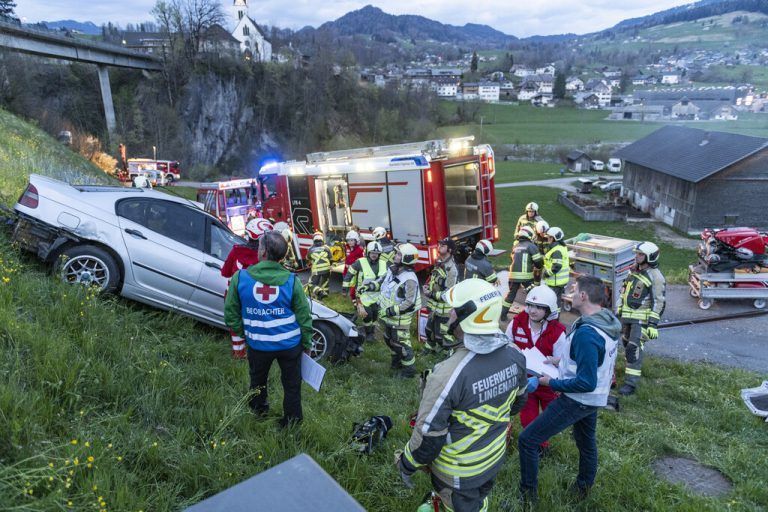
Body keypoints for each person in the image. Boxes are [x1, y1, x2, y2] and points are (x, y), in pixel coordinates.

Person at [397, 279, 528, 512]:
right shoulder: (515, 355)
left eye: (454, 310)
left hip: (458, 472)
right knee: (479, 499)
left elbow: (429, 436)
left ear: (468, 316)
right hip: (493, 457)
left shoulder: (448, 374)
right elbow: (519, 401)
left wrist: (406, 464)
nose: (449, 315)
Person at [518, 275, 620, 504]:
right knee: (586, 443)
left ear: (583, 296)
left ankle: (527, 500)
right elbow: (594, 360)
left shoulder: (587, 333)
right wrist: (560, 361)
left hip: (578, 398)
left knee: (527, 440)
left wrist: (550, 383)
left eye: (574, 291)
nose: (570, 295)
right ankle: (582, 489)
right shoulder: (605, 321)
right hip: (593, 398)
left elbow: (585, 381)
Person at [224, 231, 313, 428]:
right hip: (290, 345)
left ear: (262, 252)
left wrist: (245, 333)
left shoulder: (241, 277)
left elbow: (230, 313)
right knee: (291, 386)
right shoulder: (292, 280)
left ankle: (258, 414)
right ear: (282, 256)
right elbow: (304, 316)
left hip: (258, 345)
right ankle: (292, 422)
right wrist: (306, 343)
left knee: (257, 382)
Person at [506, 285, 566, 455]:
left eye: (539, 307)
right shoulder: (517, 322)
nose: (532, 310)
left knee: (550, 419)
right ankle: (539, 448)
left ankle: (542, 441)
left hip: (548, 383)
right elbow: (506, 344)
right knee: (528, 418)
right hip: (525, 382)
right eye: (530, 305)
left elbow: (563, 363)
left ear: (548, 310)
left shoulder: (557, 332)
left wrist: (557, 382)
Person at [616, 241, 666, 396]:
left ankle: (630, 384)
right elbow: (624, 292)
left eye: (640, 254)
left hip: (641, 321)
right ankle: (630, 371)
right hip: (626, 318)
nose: (636, 256)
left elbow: (659, 301)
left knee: (634, 348)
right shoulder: (633, 271)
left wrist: (652, 324)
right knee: (627, 347)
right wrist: (619, 309)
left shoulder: (656, 276)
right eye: (636, 254)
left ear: (649, 257)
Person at [221, 218, 274, 358]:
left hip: (236, 296)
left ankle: (238, 353)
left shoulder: (236, 251)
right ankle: (259, 353)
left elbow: (225, 272)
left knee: (235, 324)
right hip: (257, 299)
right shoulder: (268, 257)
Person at [378, 243, 422, 378]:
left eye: (398, 254)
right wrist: (370, 285)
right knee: (389, 339)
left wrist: (390, 311)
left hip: (399, 319)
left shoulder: (410, 280)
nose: (395, 256)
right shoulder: (393, 270)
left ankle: (409, 372)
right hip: (389, 316)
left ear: (406, 259)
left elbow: (409, 303)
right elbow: (383, 284)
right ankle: (396, 363)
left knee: (402, 345)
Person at [343, 241, 388, 342]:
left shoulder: (383, 264)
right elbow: (349, 274)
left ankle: (372, 330)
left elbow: (386, 279)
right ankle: (369, 334)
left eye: (376, 253)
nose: (374, 255)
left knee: (375, 315)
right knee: (367, 315)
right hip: (362, 295)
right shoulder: (360, 262)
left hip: (377, 296)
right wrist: (344, 289)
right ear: (367, 252)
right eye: (372, 253)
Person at [423, 238, 460, 355]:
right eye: (439, 245)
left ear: (449, 249)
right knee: (429, 330)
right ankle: (429, 350)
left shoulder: (451, 269)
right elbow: (434, 278)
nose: (439, 247)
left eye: (442, 246)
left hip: (444, 310)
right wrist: (427, 286)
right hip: (434, 306)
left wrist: (431, 294)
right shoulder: (440, 262)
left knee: (441, 335)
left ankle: (451, 354)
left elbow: (448, 293)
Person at [501, 226, 542, 319]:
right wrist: (538, 267)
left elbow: (512, 258)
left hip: (513, 275)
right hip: (526, 277)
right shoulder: (531, 246)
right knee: (532, 294)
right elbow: (538, 262)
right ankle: (534, 315)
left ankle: (503, 315)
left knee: (510, 296)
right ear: (529, 235)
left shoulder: (515, 246)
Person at [542, 226, 570, 307]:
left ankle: (553, 318)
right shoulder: (560, 248)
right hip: (559, 282)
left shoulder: (556, 250)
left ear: (554, 238)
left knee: (551, 303)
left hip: (555, 282)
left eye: (549, 237)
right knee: (556, 303)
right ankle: (555, 318)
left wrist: (547, 273)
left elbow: (557, 266)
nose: (547, 239)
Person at [307, 231, 333, 299]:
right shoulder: (327, 248)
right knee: (325, 282)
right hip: (327, 269)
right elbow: (331, 257)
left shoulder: (310, 249)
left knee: (312, 284)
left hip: (316, 270)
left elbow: (308, 258)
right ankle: (325, 294)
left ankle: (320, 293)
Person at [344, 230, 365, 299]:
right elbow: (347, 259)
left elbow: (362, 262)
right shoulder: (347, 248)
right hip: (348, 272)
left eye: (351, 240)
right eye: (348, 240)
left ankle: (357, 303)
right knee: (350, 289)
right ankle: (355, 303)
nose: (349, 242)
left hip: (356, 273)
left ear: (356, 241)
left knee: (354, 290)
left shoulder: (360, 250)